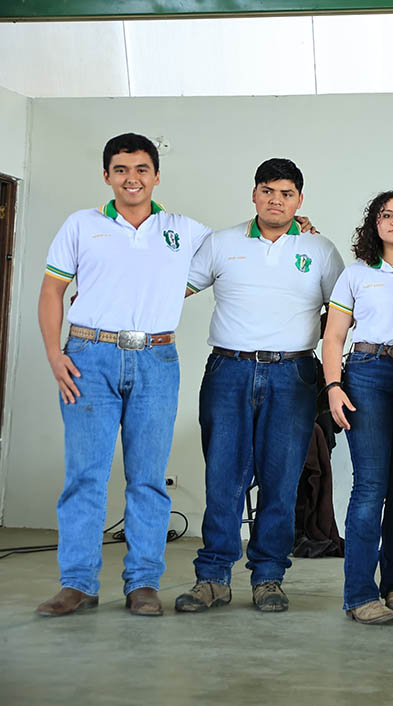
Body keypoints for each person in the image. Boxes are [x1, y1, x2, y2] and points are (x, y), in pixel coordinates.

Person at [35, 133, 213, 617]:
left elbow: (237, 251)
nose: (131, 178)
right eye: (120, 170)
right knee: (85, 475)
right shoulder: (81, 225)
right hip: (88, 357)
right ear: (107, 175)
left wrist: (297, 226)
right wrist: (54, 354)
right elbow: (52, 292)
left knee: (148, 478)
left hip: (156, 359)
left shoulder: (184, 230)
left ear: (156, 175)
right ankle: (77, 583)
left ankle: (143, 583)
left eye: (141, 169)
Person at [175, 158, 343, 613]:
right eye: (267, 191)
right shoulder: (222, 242)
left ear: (299, 200)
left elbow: (344, 311)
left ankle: (268, 577)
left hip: (293, 374)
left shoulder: (320, 249)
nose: (276, 200)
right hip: (228, 370)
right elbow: (175, 289)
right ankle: (213, 577)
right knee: (223, 478)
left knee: (281, 480)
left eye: (286, 193)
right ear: (254, 194)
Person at [322, 190, 393, 624]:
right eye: (386, 215)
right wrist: (333, 386)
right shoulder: (356, 273)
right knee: (370, 487)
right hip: (366, 374)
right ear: (374, 223)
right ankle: (359, 594)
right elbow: (334, 336)